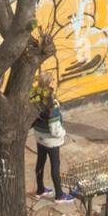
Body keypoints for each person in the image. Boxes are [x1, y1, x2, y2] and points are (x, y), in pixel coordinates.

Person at [31, 72, 74, 202]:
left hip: (39, 136)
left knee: (40, 162)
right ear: (50, 83)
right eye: (53, 80)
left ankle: (40, 190)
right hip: (51, 140)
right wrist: (63, 133)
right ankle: (60, 195)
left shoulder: (34, 97)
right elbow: (55, 130)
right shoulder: (51, 103)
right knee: (55, 166)